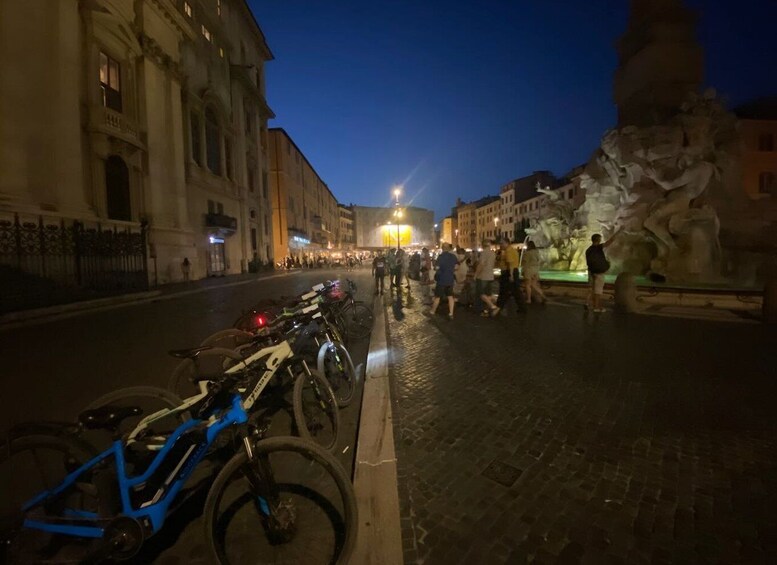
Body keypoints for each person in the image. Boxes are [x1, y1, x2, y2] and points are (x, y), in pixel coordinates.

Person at [585, 228, 622, 312]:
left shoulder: (588, 250)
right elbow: (610, 241)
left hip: (591, 272)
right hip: (598, 272)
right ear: (598, 240)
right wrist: (619, 231)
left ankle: (592, 304)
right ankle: (596, 307)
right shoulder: (598, 247)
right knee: (598, 291)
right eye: (600, 239)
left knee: (593, 289)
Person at [495, 238, 525, 315]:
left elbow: (510, 264)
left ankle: (498, 307)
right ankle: (522, 308)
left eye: (502, 243)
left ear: (507, 243)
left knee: (504, 290)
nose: (500, 245)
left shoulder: (508, 251)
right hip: (513, 272)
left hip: (509, 272)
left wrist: (511, 275)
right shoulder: (513, 250)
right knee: (515, 291)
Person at [428, 243, 458, 319]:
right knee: (450, 296)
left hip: (441, 280)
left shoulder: (441, 257)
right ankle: (451, 313)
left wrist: (436, 267)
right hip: (450, 279)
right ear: (449, 248)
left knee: (437, 297)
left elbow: (437, 268)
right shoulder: (453, 256)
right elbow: (457, 267)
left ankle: (432, 311)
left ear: (442, 248)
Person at [475, 240, 499, 317]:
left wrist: (476, 274)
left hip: (483, 276)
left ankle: (493, 306)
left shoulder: (484, 253)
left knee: (481, 293)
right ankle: (487, 311)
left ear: (482, 245)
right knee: (488, 294)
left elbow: (481, 265)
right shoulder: (493, 253)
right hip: (490, 275)